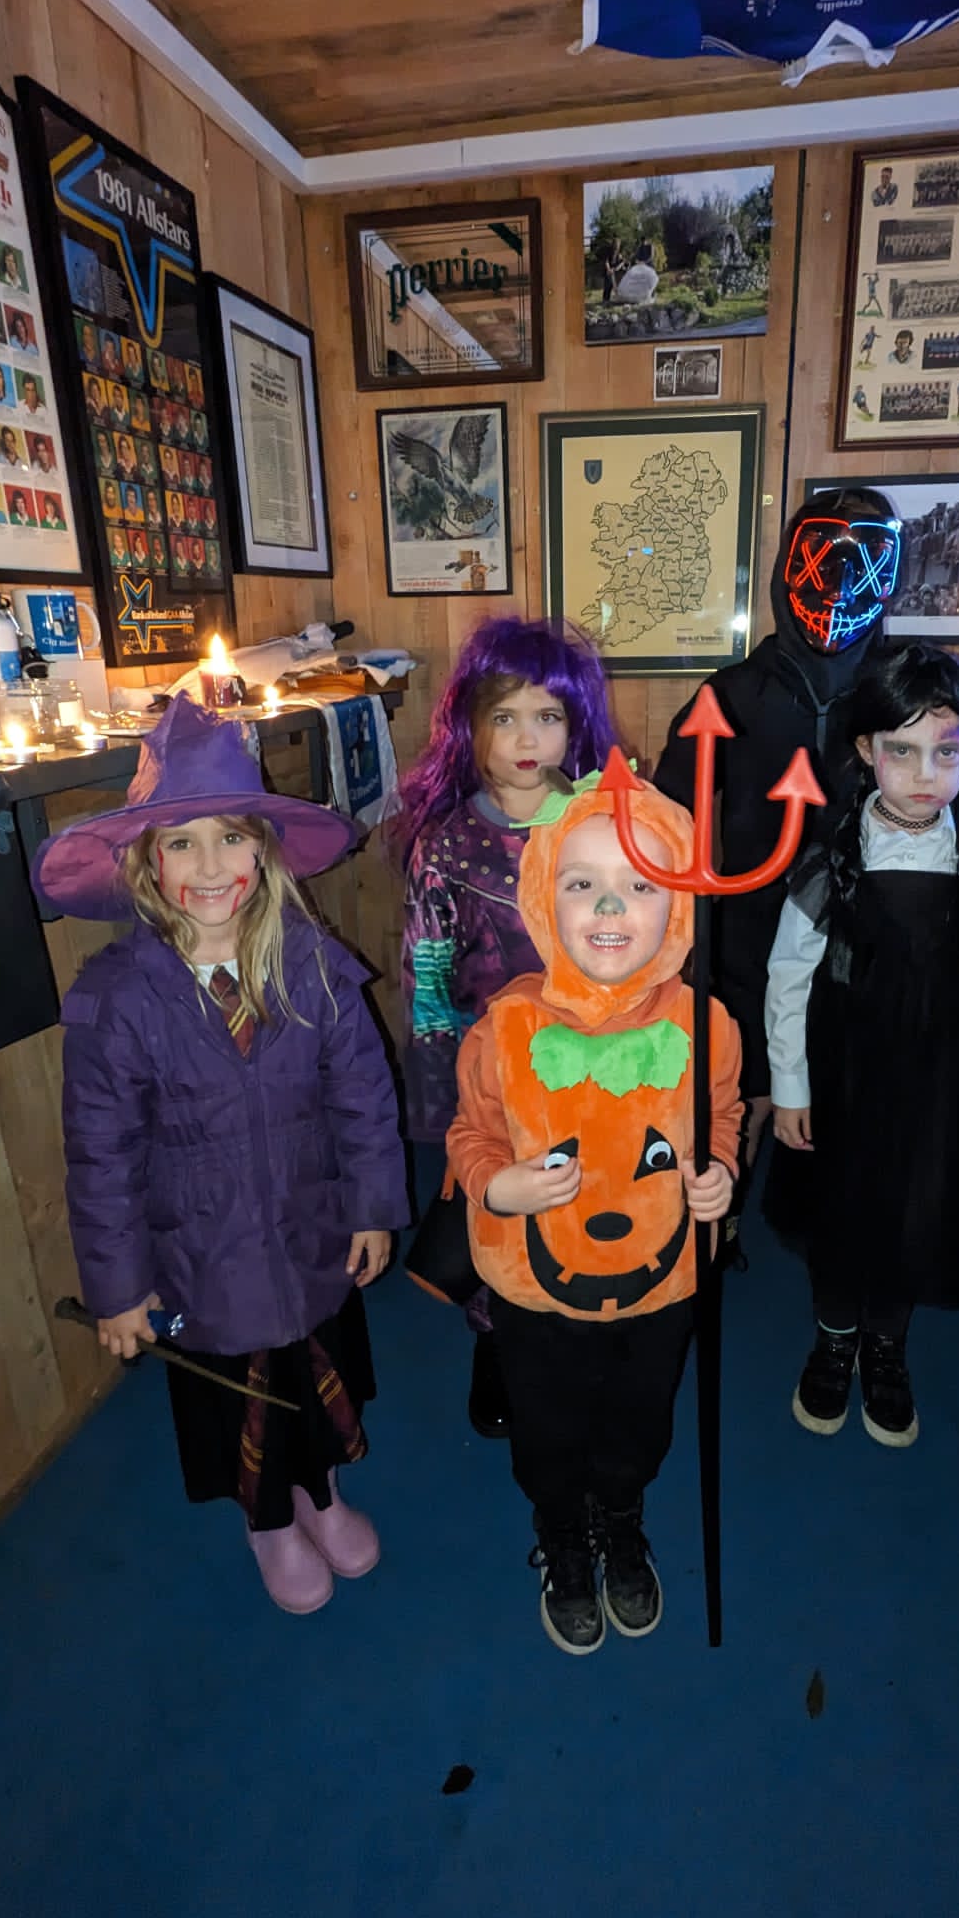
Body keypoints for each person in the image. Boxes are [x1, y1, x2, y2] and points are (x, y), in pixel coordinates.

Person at [34, 696, 409, 1614]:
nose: (210, 867)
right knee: (235, 1397)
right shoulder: (118, 999)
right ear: (146, 863)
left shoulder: (312, 964)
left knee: (314, 1377)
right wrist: (118, 1286)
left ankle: (321, 1492)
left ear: (264, 853)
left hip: (310, 1229)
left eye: (232, 839)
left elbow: (364, 1094)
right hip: (196, 1260)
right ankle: (267, 1519)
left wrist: (372, 1205)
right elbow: (101, 1156)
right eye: (182, 843)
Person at [440, 779, 742, 1653]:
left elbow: (721, 1115)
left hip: (661, 1283)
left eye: (641, 884)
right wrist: (496, 1185)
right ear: (545, 895)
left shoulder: (706, 1024)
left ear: (677, 905)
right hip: (538, 1288)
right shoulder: (504, 1030)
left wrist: (719, 1170)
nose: (611, 907)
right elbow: (471, 1133)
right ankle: (563, 1531)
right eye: (583, 884)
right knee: (546, 1420)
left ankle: (620, 1513)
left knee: (640, 1416)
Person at [765, 644, 959, 1449]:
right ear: (866, 750)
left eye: (946, 753)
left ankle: (885, 1342)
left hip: (941, 1080)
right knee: (843, 1210)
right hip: (847, 1075)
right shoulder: (833, 860)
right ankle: (834, 1336)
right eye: (902, 751)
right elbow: (788, 978)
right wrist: (790, 1088)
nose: (925, 774)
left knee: (916, 1210)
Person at [396, 616, 617, 1439]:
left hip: (600, 1059)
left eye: (547, 716)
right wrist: (440, 1099)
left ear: (574, 723)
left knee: (592, 1200)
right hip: (495, 1076)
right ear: (470, 726)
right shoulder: (447, 847)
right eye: (505, 717)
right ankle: (498, 1342)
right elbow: (426, 976)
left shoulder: (605, 825)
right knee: (504, 1212)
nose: (527, 739)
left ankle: (588, 1328)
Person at [655, 489, 900, 1169]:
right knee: (746, 1090)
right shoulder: (733, 692)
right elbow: (666, 816)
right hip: (749, 928)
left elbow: (951, 806)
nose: (840, 584)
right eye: (823, 560)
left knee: (855, 1087)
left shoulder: (901, 690)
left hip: (872, 925)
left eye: (863, 561)